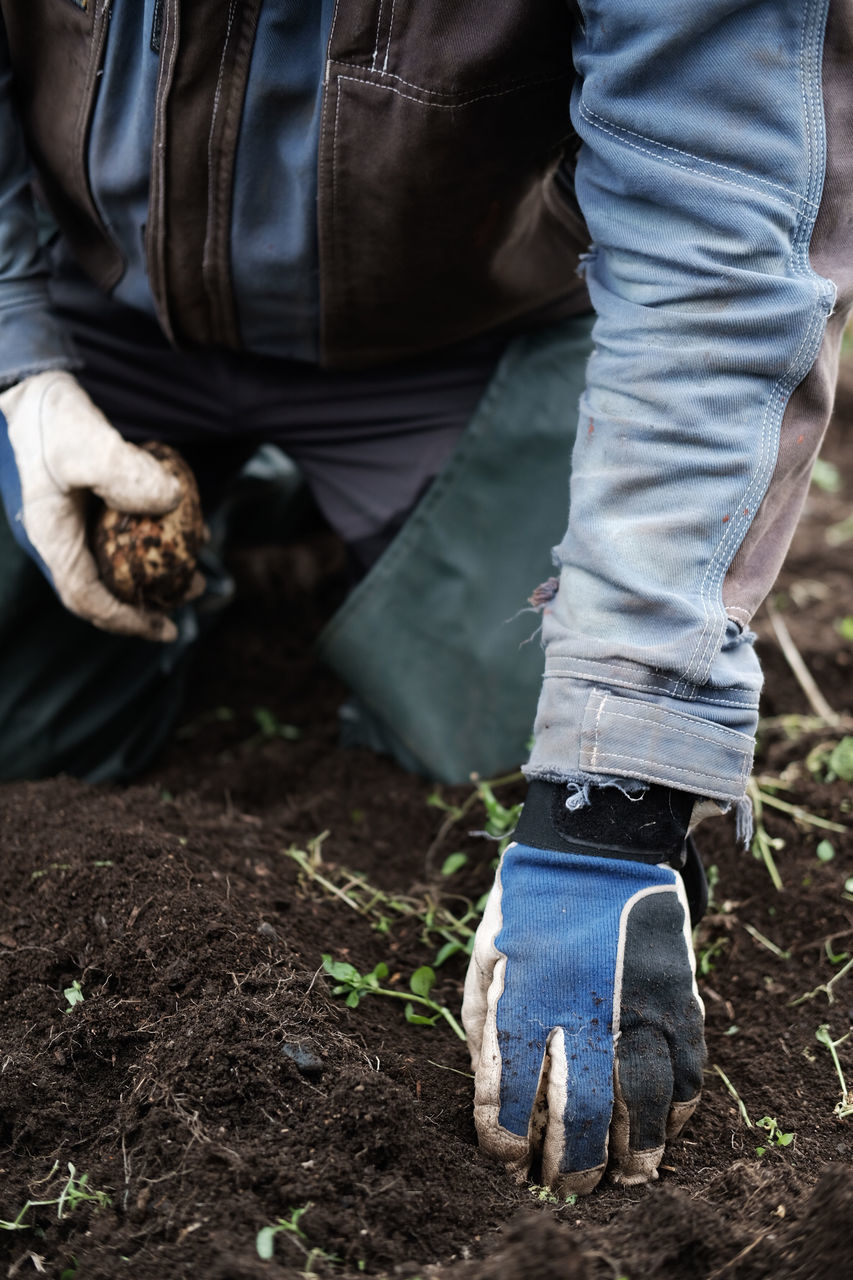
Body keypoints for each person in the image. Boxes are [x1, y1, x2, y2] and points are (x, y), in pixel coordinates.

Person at [0, 1, 849, 1195]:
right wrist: (17, 359)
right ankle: (281, 505)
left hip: (460, 331)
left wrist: (614, 804)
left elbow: (720, 229)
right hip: (84, 301)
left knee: (518, 728)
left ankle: (366, 497)